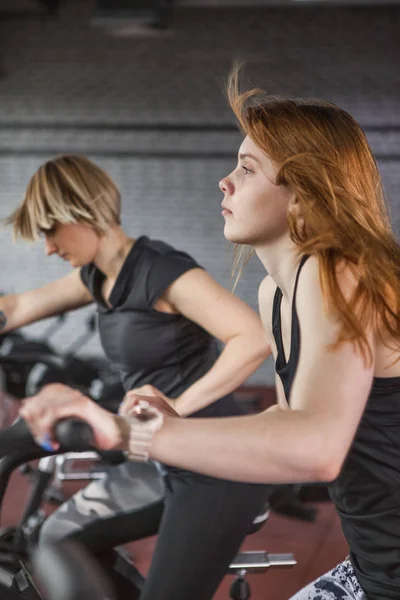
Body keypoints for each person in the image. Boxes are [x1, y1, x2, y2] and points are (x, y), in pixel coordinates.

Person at [21, 69, 400, 600]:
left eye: (247, 168)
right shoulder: (277, 291)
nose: (225, 181)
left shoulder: (339, 271)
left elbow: (316, 447)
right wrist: (175, 423)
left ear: (302, 192)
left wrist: (125, 433)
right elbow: (289, 423)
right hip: (371, 567)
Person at [3, 153, 272, 600]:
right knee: (55, 537)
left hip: (215, 466)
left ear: (83, 212)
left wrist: (175, 409)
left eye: (50, 230)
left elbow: (253, 337)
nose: (48, 247)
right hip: (157, 456)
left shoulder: (161, 270)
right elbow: (18, 307)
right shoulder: (98, 275)